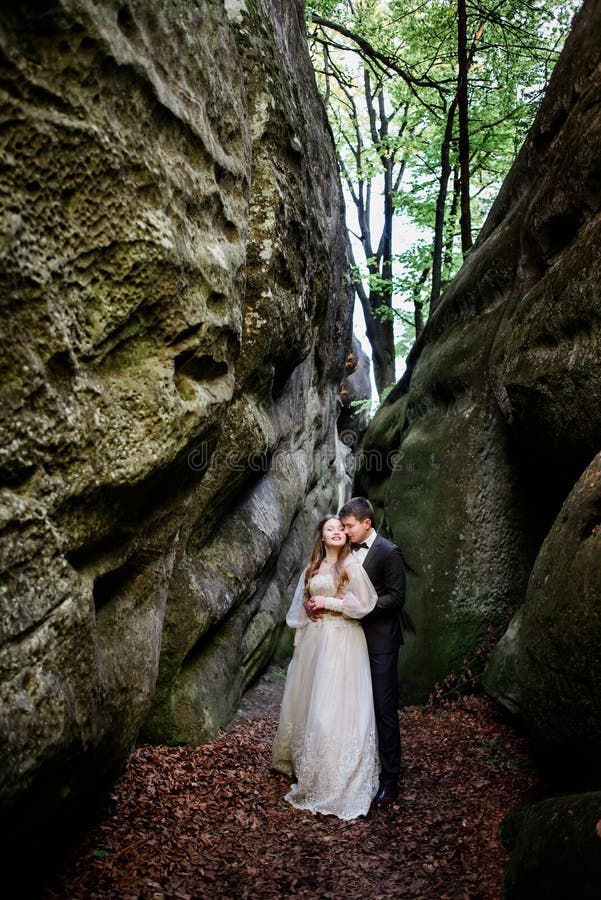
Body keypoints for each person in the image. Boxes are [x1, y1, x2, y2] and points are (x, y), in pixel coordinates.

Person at [271, 515, 380, 820]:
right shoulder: (312, 569)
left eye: (340, 529)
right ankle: (306, 765)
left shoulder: (352, 566)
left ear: (347, 536)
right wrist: (309, 606)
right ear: (321, 536)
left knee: (333, 707)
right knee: (311, 703)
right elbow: (300, 610)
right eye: (329, 529)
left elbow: (364, 605)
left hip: (344, 642)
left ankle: (335, 776)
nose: (336, 532)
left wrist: (328, 604)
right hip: (316, 642)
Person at [338, 496, 406, 810]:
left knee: (383, 709)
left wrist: (363, 609)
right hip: (349, 642)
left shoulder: (389, 552)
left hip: (381, 643)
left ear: (367, 523)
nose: (345, 531)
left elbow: (396, 598)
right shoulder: (344, 552)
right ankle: (358, 771)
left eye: (349, 526)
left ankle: (390, 779)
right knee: (354, 708)